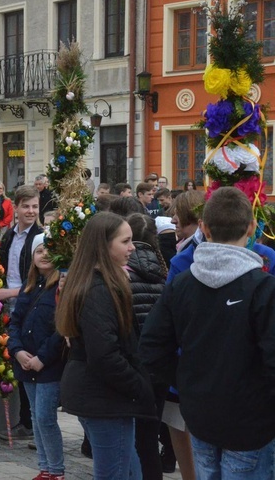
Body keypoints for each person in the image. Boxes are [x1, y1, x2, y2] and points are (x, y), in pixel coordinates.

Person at [140, 187, 275, 479]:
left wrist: (187, 381)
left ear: (204, 227)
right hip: (247, 421)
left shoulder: (182, 284)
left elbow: (151, 347)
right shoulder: (263, 288)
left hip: (207, 415)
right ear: (251, 227)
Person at [56, 212, 155, 479]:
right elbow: (104, 355)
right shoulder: (98, 289)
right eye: (125, 242)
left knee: (130, 471)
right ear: (104, 245)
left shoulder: (101, 283)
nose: (132, 247)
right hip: (105, 399)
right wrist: (138, 386)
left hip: (103, 395)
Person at [8, 234, 65, 480]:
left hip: (48, 365)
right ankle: (44, 467)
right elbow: (15, 322)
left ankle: (56, 470)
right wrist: (17, 350)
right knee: (35, 415)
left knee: (45, 417)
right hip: (26, 363)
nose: (44, 255)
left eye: (49, 250)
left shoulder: (61, 287)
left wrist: (42, 357)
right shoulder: (29, 286)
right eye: (39, 250)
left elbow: (62, 328)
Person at [0, 185, 41, 442]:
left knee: (25, 360)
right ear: (16, 207)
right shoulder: (9, 235)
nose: (31, 211)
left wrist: (9, 294)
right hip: (7, 304)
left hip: (25, 303)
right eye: (26, 206)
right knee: (13, 362)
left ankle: (30, 423)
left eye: (35, 206)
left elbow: (39, 281)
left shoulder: (39, 238)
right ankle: (26, 421)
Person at [125, 213, 168, 480]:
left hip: (131, 366)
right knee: (149, 438)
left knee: (131, 438)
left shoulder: (122, 274)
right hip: (158, 369)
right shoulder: (162, 272)